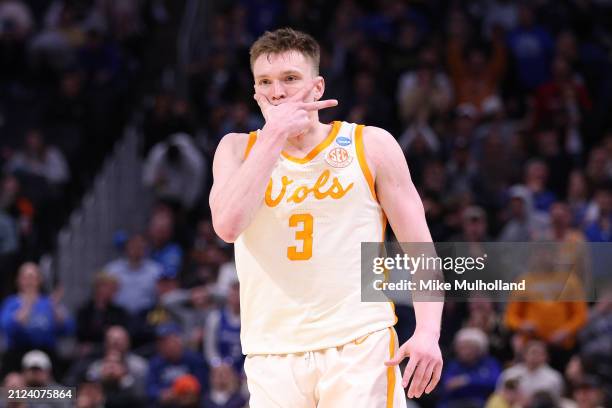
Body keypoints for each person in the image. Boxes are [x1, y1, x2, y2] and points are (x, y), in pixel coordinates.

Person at [209, 28, 443, 407]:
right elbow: (227, 226)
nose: (278, 92)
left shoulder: (372, 144)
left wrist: (429, 332)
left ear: (317, 88)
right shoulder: (236, 149)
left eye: (290, 79)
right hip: (272, 351)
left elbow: (421, 247)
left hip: (359, 342)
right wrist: (274, 137)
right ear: (255, 93)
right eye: (265, 82)